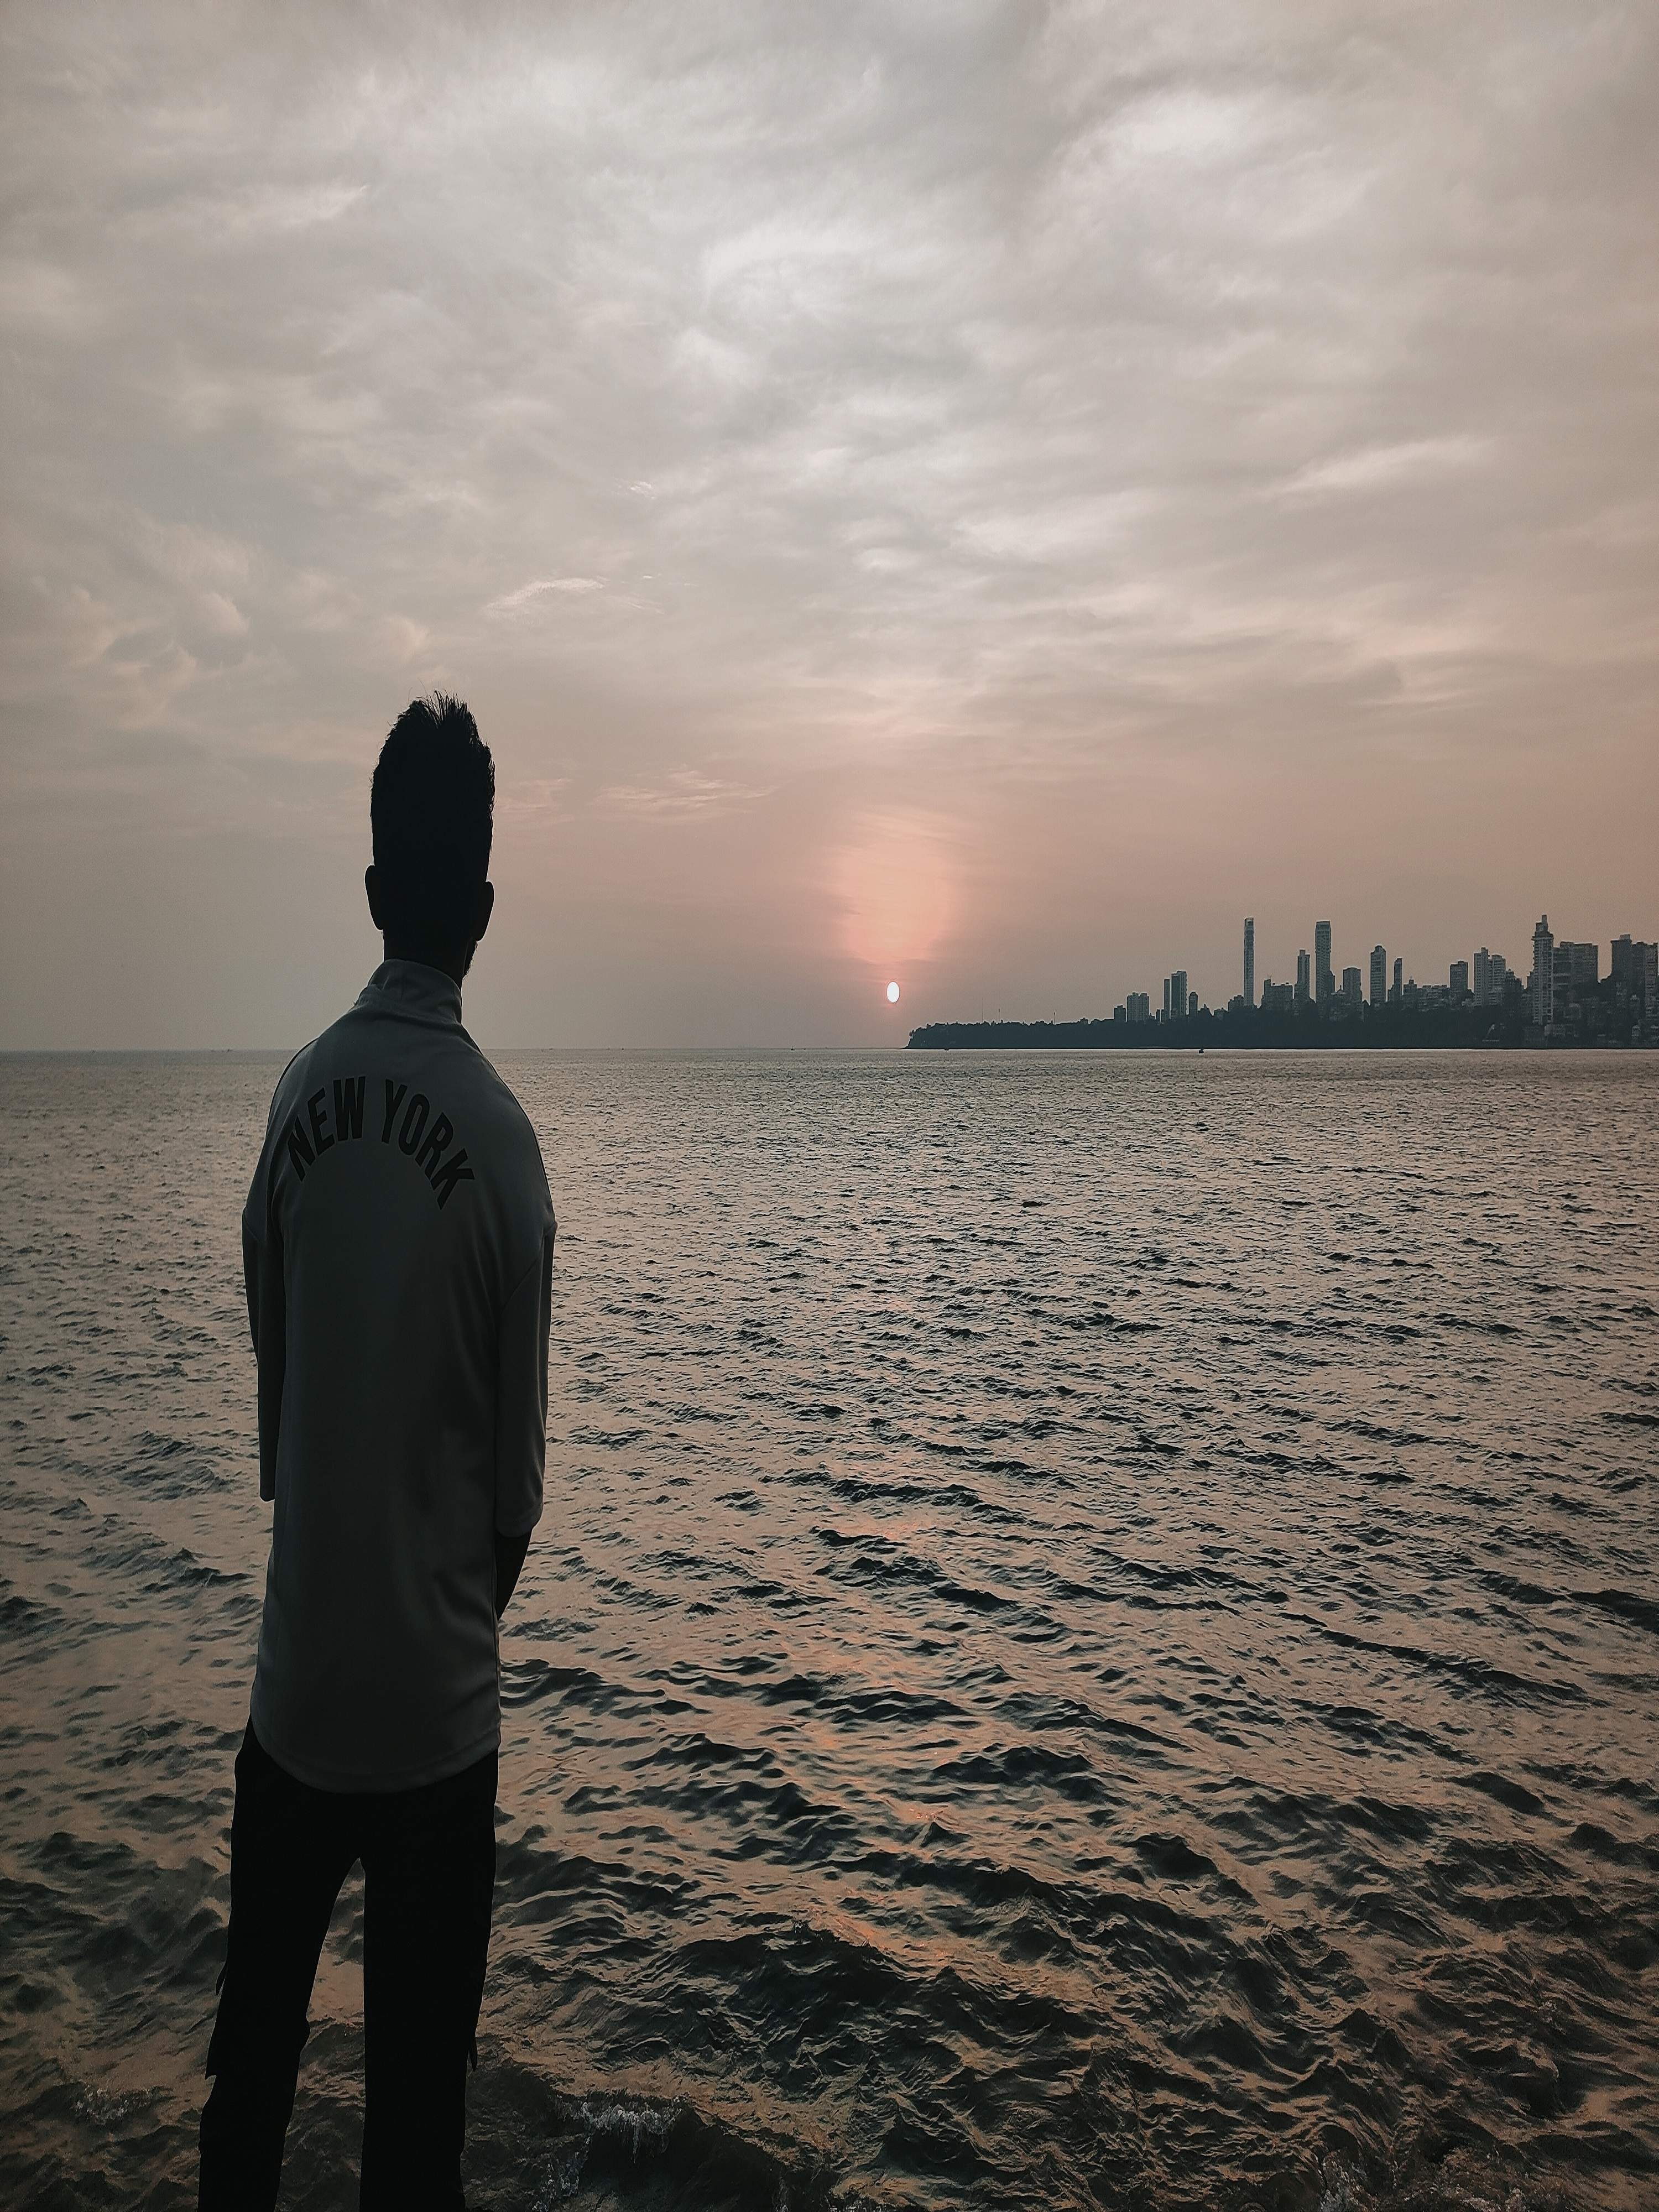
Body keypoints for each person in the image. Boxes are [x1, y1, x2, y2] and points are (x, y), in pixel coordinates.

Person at [199, 694, 556, 2210]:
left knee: (247, 2095)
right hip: (433, 1729)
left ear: (369, 896)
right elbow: (514, 1515)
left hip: (293, 1701)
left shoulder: (290, 1107)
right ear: (483, 905)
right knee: (416, 2135)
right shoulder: (504, 1147)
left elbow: (283, 1444)